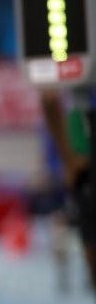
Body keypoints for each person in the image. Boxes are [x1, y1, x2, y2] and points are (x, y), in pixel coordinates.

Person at [40, 88, 95, 293]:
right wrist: (66, 163)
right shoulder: (65, 112)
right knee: (61, 229)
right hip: (70, 182)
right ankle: (64, 275)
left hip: (78, 175)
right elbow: (48, 99)